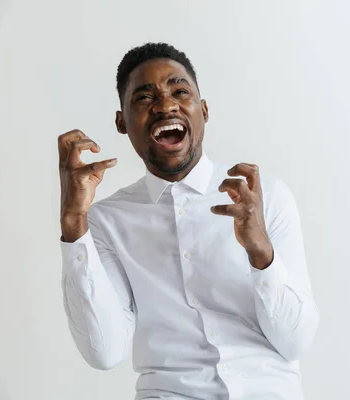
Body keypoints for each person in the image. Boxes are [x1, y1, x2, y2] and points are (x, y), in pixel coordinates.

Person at [57, 42, 319, 400]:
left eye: (180, 91)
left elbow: (296, 341)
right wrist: (74, 224)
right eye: (144, 98)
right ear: (121, 122)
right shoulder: (105, 222)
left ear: (204, 110)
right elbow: (104, 351)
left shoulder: (266, 198)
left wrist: (261, 252)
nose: (165, 105)